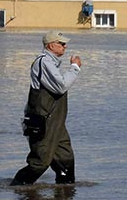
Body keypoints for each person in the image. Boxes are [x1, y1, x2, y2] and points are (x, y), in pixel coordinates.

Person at [11, 32, 82, 186]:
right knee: (40, 162)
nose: (65, 46)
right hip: (43, 120)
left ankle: (65, 195)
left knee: (65, 159)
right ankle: (18, 189)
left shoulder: (52, 63)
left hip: (56, 122)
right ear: (51, 45)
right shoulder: (44, 62)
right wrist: (75, 67)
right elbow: (61, 86)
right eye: (62, 44)